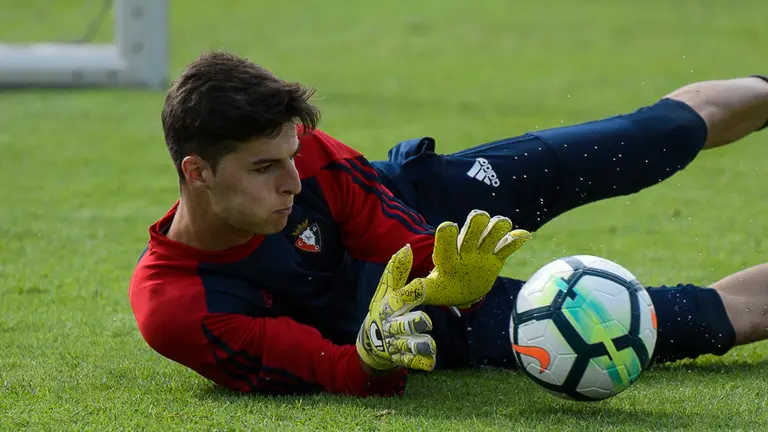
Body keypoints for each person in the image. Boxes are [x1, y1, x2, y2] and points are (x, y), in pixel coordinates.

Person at [128, 50, 768, 397]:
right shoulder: (179, 306)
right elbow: (335, 369)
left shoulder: (306, 159)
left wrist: (442, 267)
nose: (293, 182)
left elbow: (393, 232)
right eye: (266, 168)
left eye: (294, 156)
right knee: (675, 323)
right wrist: (374, 358)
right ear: (198, 172)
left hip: (424, 212)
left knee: (645, 138)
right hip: (407, 325)